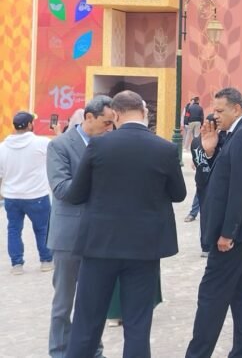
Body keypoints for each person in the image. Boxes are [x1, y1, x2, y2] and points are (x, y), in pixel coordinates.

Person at [63, 91, 186, 358]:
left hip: (100, 245)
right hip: (144, 248)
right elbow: (179, 194)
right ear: (144, 112)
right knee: (138, 324)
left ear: (116, 114)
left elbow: (76, 194)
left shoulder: (98, 146)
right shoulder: (164, 148)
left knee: (87, 322)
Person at [186, 87, 242, 358]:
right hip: (241, 231)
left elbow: (241, 188)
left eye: (220, 111)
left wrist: (227, 232)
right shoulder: (235, 133)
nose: (215, 116)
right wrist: (209, 152)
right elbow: (213, 180)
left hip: (234, 234)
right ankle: (241, 351)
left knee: (211, 295)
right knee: (241, 293)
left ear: (237, 108)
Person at [46, 95, 114, 358]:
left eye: (113, 123)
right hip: (68, 237)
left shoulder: (109, 144)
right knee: (63, 303)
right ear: (89, 117)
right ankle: (60, 351)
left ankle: (93, 350)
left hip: (99, 236)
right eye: (106, 122)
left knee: (94, 301)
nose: (110, 128)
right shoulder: (60, 145)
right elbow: (61, 188)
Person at [0, 111, 55, 275]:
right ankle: (46, 261)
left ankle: (17, 264)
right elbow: (58, 151)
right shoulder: (42, 143)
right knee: (43, 229)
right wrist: (58, 132)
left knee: (13, 229)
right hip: (37, 195)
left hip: (12, 196)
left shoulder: (2, 147)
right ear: (30, 125)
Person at [190, 113, 226, 257]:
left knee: (205, 214)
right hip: (212, 182)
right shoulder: (219, 141)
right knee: (213, 215)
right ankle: (210, 244)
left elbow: (195, 162)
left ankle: (205, 245)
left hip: (201, 181)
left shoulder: (195, 141)